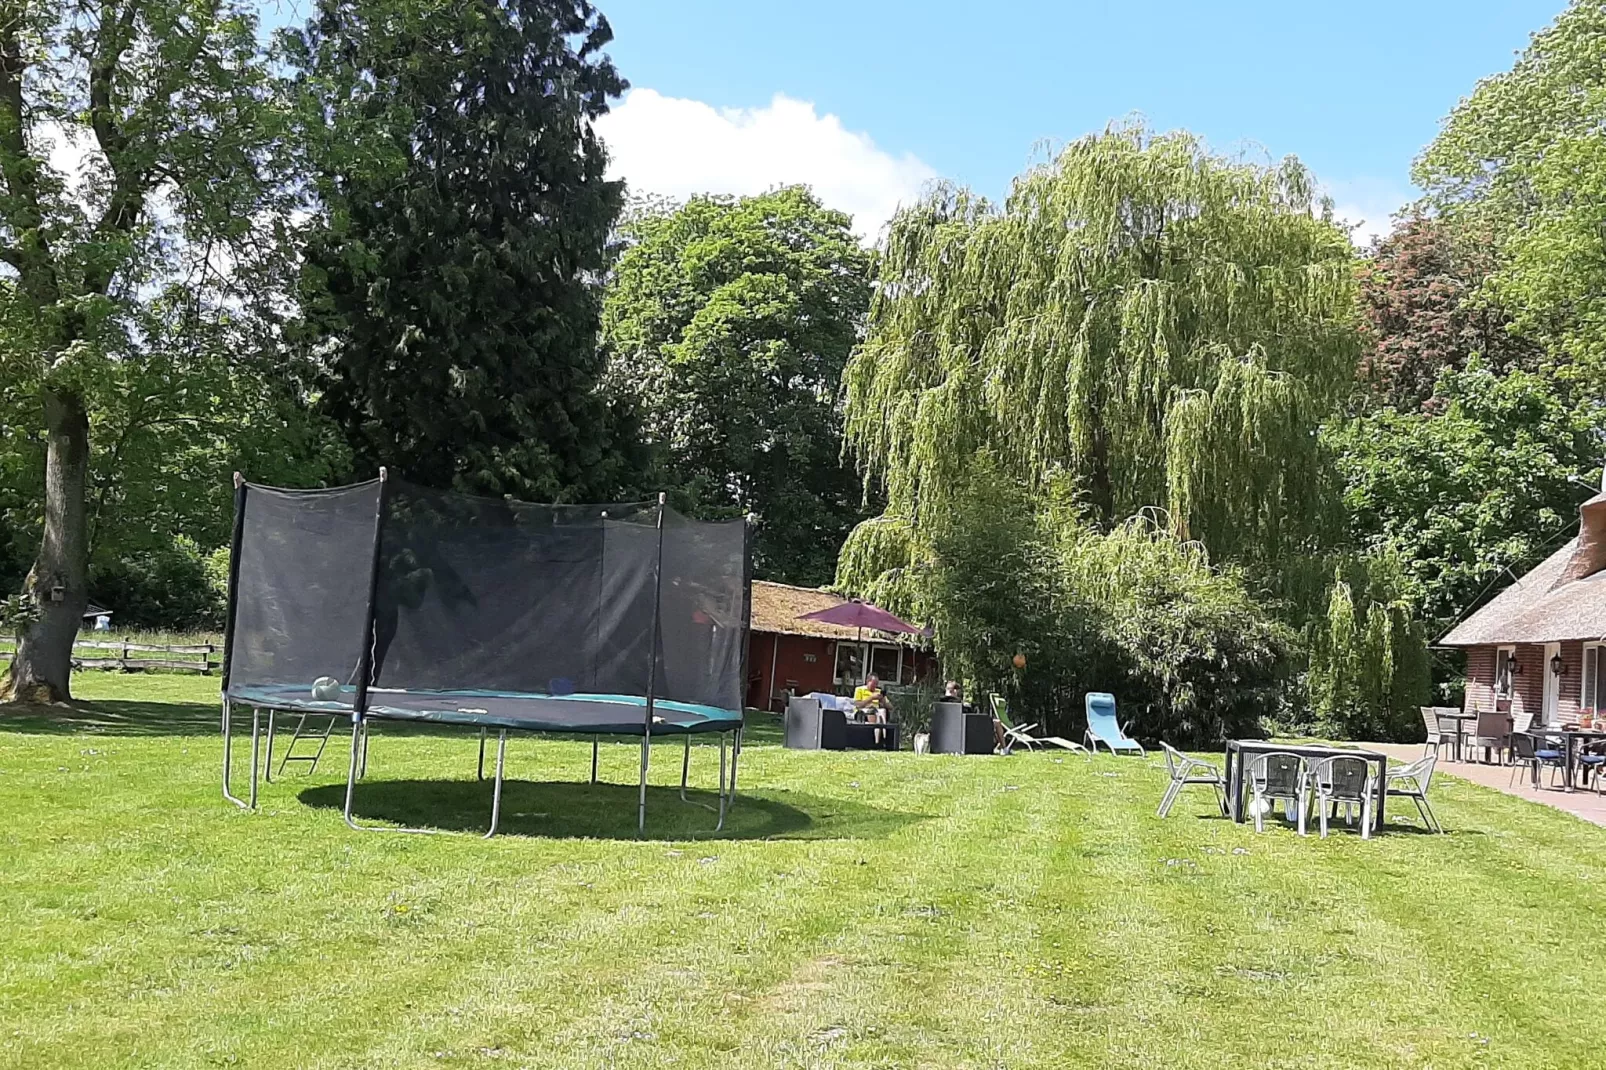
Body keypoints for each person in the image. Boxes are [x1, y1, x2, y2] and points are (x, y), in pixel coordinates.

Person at [853, 673, 891, 743]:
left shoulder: (878, 691)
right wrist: (871, 698)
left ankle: (884, 737)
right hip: (863, 711)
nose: (875, 686)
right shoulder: (859, 690)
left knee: (882, 711)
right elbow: (858, 705)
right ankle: (876, 741)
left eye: (877, 684)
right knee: (873, 711)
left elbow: (890, 707)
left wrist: (883, 701)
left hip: (877, 711)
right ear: (868, 681)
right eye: (874, 684)